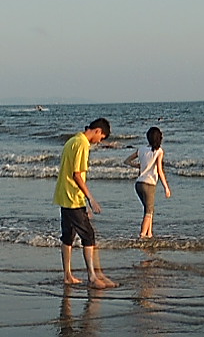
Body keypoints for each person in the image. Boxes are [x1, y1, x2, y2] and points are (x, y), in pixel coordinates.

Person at [55, 118, 116, 289]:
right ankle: (92, 276)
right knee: (88, 236)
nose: (99, 141)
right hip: (73, 198)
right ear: (97, 131)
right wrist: (90, 198)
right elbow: (77, 175)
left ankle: (68, 275)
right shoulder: (82, 144)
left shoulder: (72, 140)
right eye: (101, 138)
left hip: (64, 195)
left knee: (68, 236)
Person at [121, 127, 170, 239]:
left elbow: (127, 161)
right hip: (149, 184)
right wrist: (166, 187)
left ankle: (149, 233)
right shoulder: (159, 151)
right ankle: (142, 235)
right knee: (149, 211)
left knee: (148, 210)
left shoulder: (141, 149)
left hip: (139, 183)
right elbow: (160, 170)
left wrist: (138, 166)